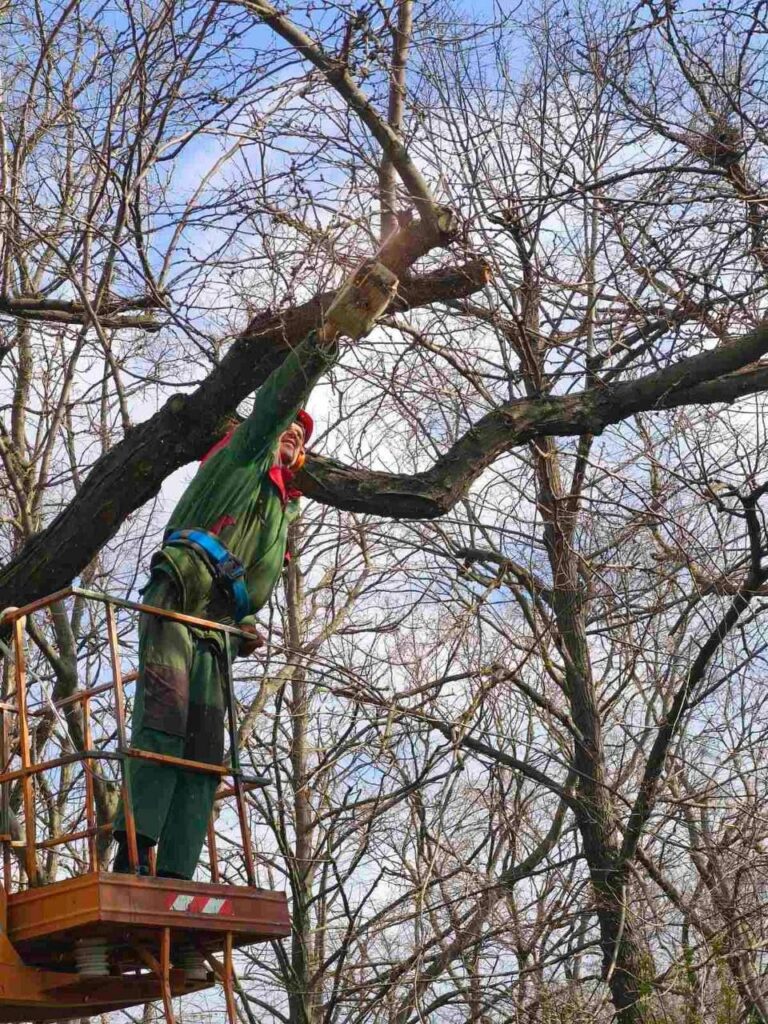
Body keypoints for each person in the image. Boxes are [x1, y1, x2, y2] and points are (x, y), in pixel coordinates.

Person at [112, 261, 398, 878]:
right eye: (287, 431)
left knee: (206, 753)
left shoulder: (279, 514)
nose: (293, 439)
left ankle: (174, 874)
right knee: (163, 720)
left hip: (216, 630)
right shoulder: (241, 459)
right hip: (178, 597)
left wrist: (245, 622)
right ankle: (134, 846)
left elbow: (257, 586)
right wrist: (329, 337)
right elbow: (274, 403)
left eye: (302, 437)